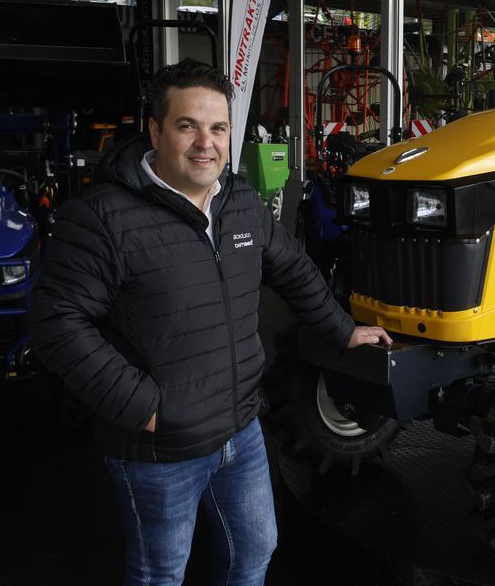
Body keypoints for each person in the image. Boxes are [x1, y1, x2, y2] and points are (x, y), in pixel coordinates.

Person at [29, 58, 390, 586]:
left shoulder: (240, 202)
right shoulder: (103, 217)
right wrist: (143, 408)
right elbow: (56, 322)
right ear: (154, 130)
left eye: (218, 128)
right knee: (160, 575)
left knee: (254, 552)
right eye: (187, 125)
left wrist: (342, 330)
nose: (206, 143)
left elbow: (291, 267)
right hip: (160, 447)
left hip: (240, 430)